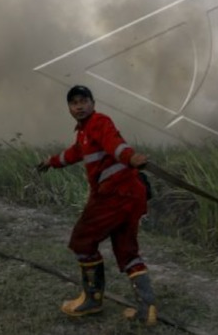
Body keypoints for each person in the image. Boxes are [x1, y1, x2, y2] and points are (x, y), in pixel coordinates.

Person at [37, 85, 156, 326]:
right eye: (74, 103)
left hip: (115, 195)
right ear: (69, 108)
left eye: (83, 101)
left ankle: (92, 300)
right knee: (126, 251)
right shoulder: (83, 133)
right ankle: (147, 311)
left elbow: (115, 144)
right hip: (130, 195)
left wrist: (131, 157)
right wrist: (50, 161)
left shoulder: (100, 122)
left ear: (93, 103)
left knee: (82, 241)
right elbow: (73, 153)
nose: (79, 106)